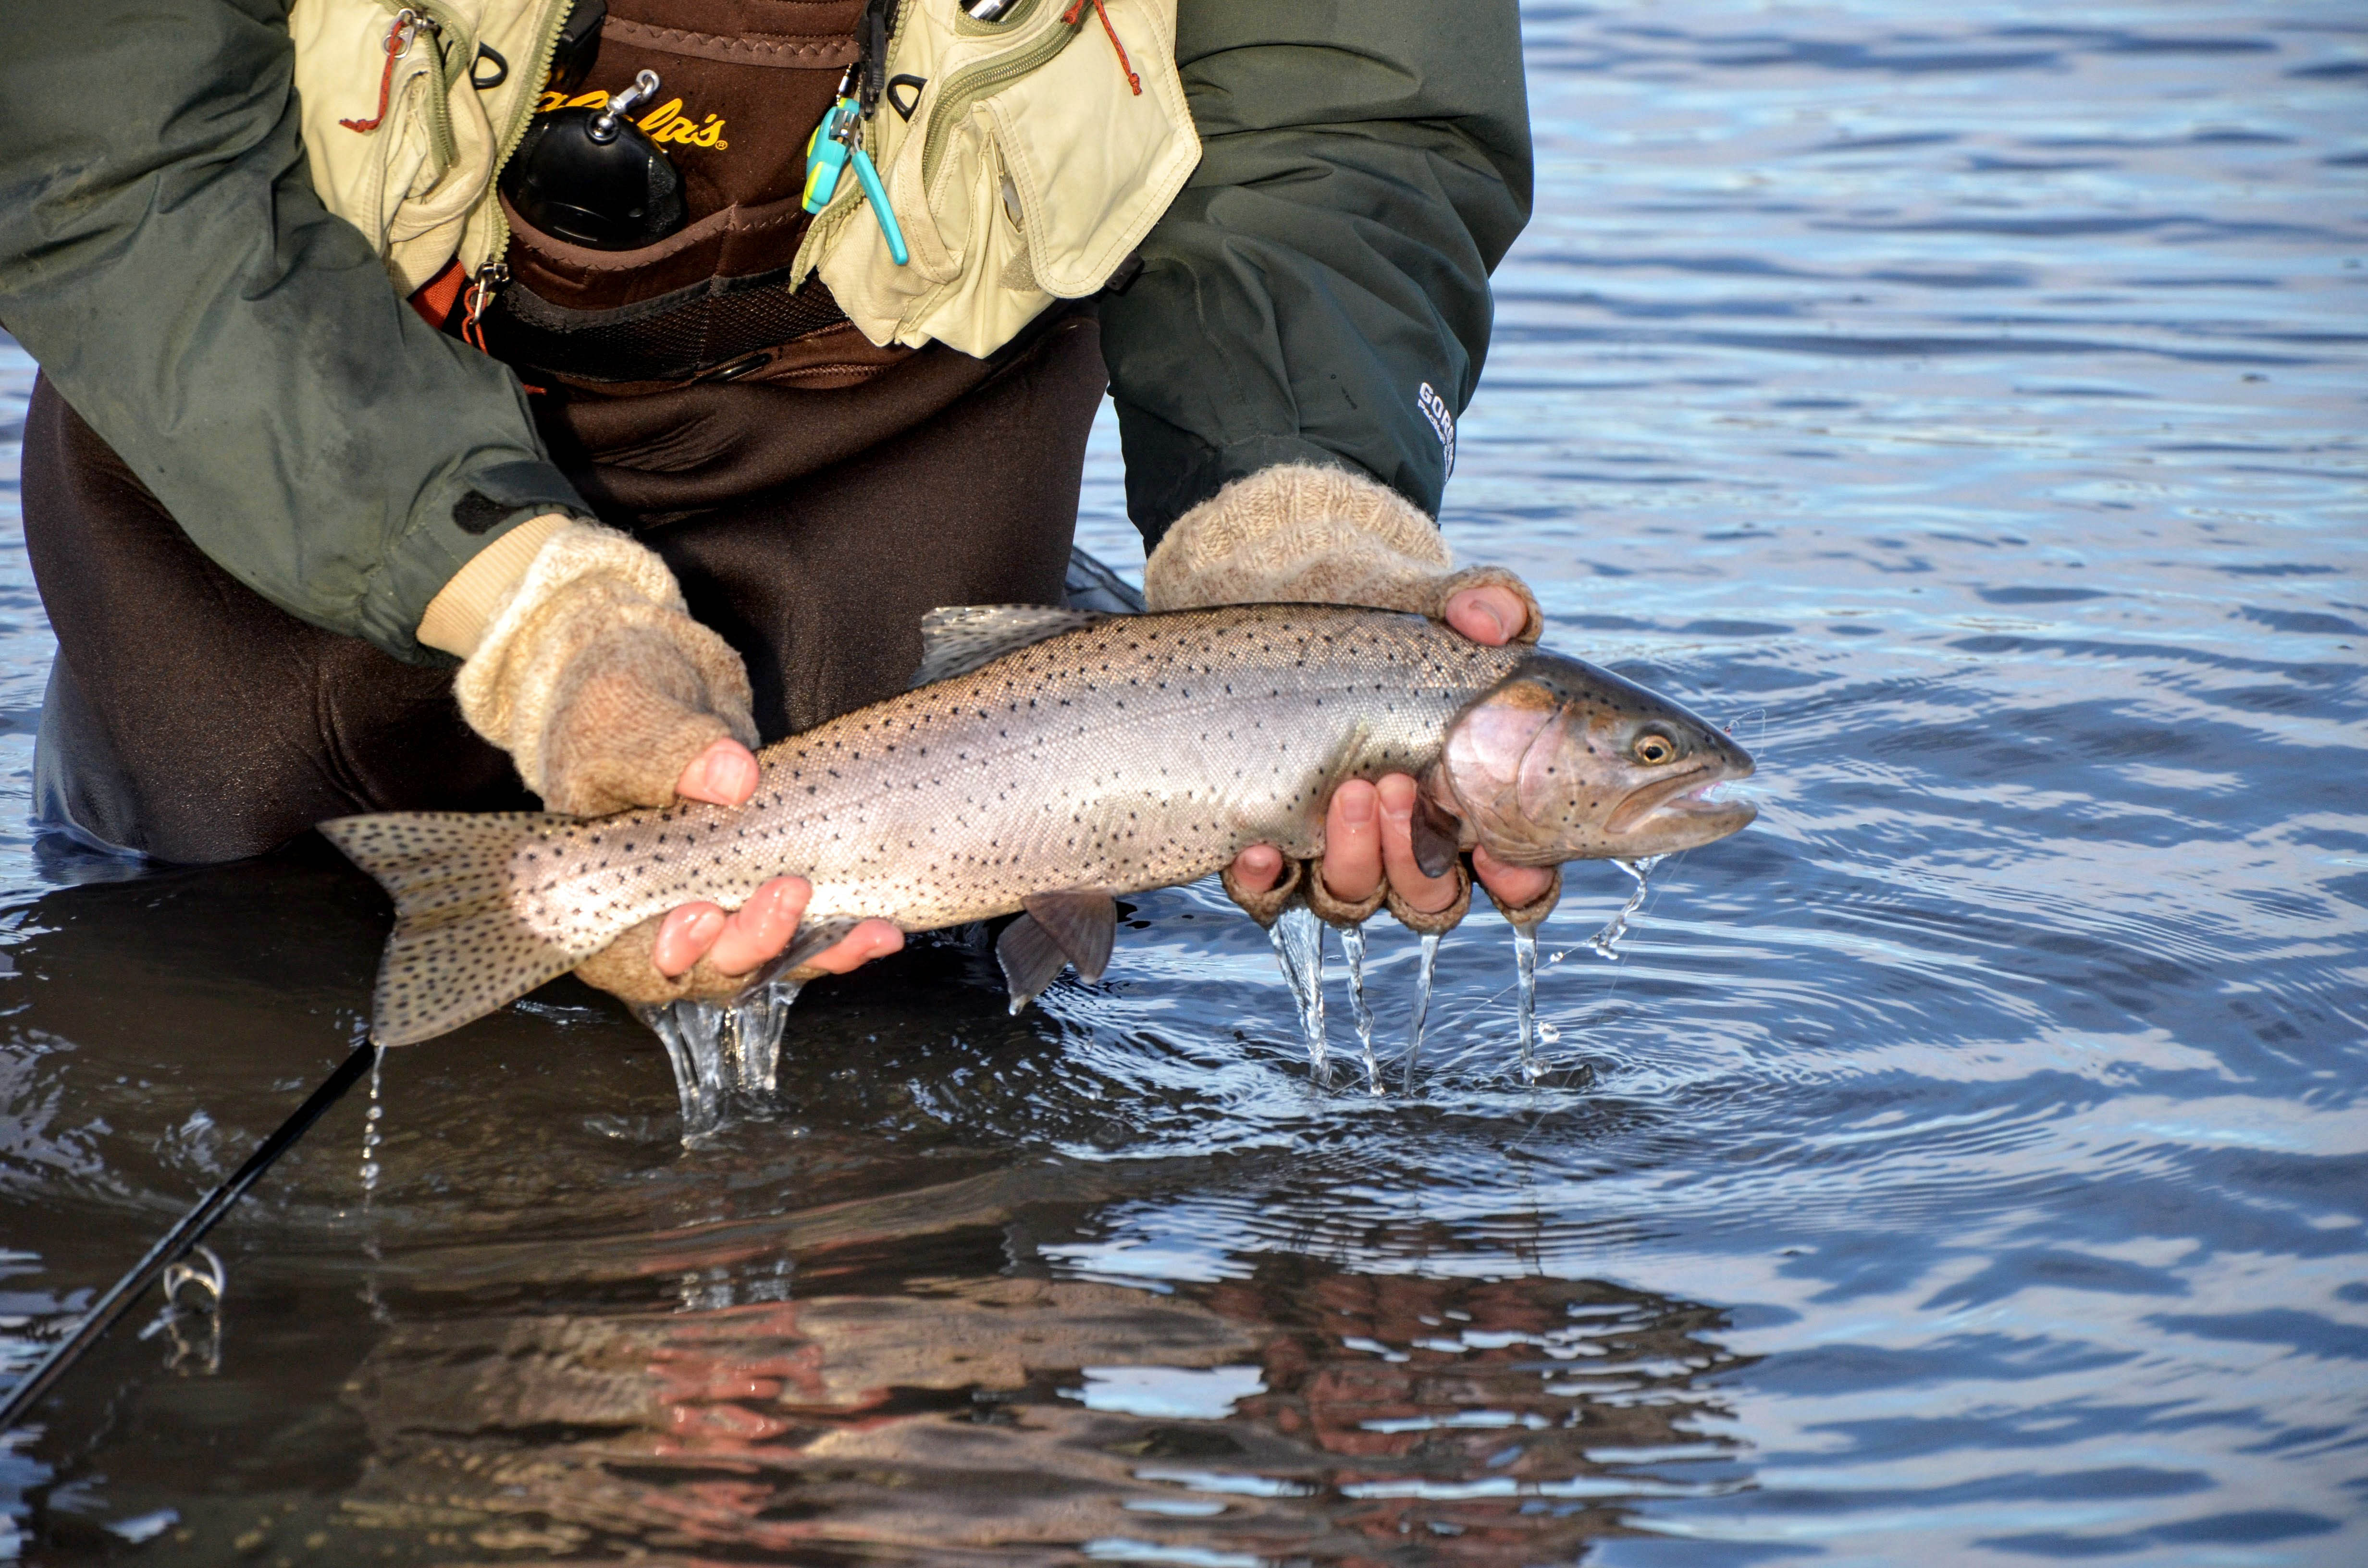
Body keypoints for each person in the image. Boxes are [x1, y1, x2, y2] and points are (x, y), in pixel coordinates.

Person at [0, 0, 1555, 1011]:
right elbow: (113, 165)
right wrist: (535, 617)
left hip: (902, 433)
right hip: (284, 418)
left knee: (908, 1085)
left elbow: (1349, 119)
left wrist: (1296, 523)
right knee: (192, 999)